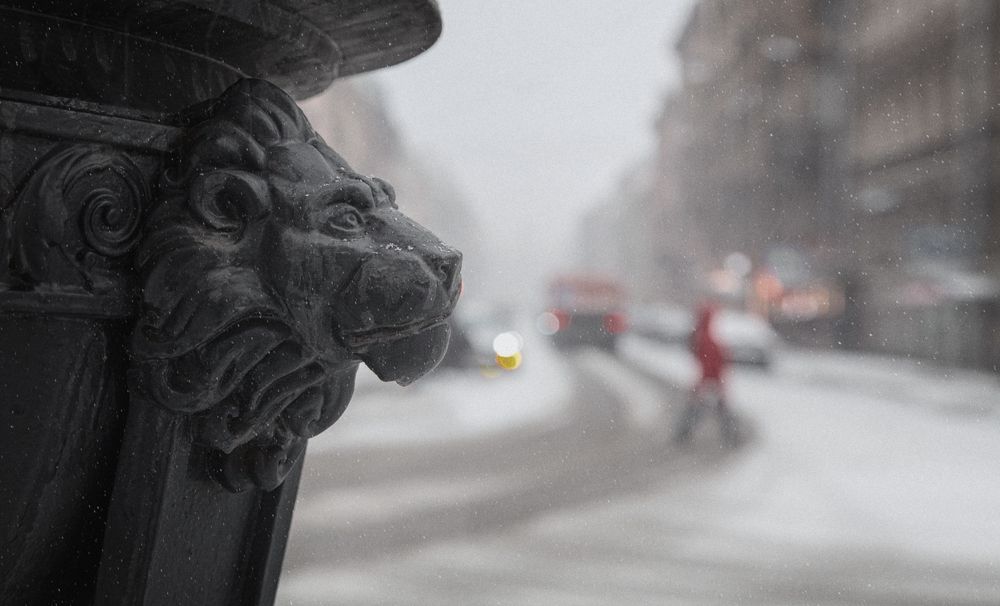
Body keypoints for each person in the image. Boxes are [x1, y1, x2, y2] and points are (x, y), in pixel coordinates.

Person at [673, 301, 739, 446]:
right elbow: (712, 360)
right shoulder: (706, 336)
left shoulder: (701, 334)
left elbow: (704, 357)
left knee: (700, 408)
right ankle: (730, 435)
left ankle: (684, 432)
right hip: (711, 378)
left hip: (708, 378)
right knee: (713, 409)